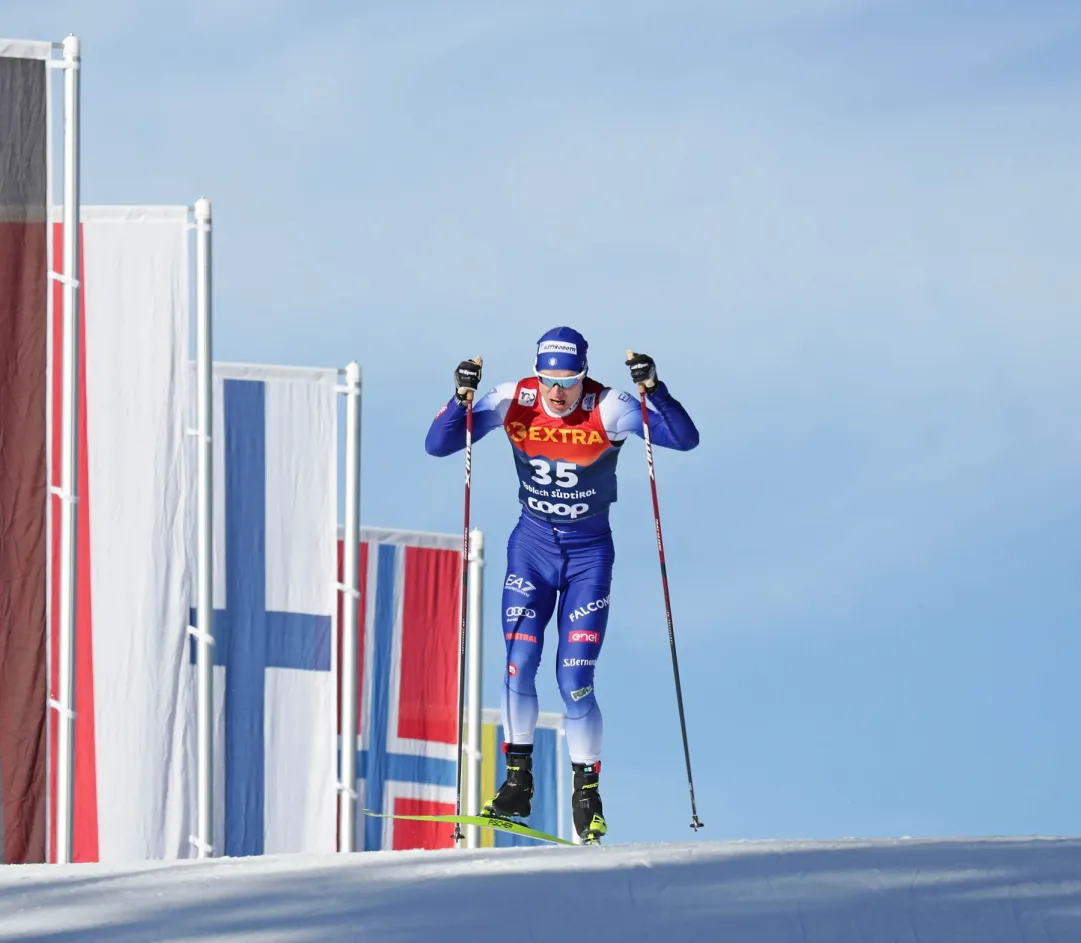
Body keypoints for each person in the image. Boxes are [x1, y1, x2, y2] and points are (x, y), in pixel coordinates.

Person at [424, 326, 699, 842]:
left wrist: (654, 389)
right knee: (519, 661)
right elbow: (438, 444)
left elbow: (684, 439)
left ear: (583, 376)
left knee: (574, 679)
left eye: (568, 381)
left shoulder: (609, 407)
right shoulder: (514, 400)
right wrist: (459, 397)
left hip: (588, 557)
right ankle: (516, 783)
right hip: (531, 550)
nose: (556, 393)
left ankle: (586, 794)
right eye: (550, 379)